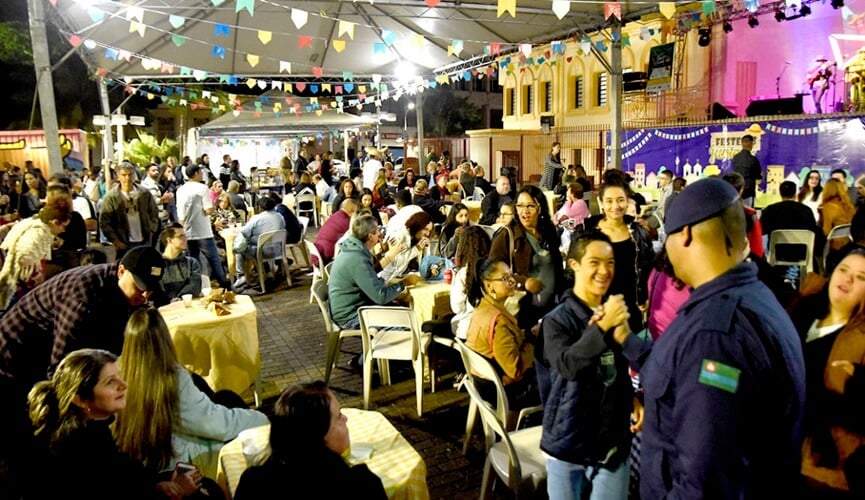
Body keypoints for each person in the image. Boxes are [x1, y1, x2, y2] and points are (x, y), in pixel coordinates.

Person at [612, 178, 806, 498]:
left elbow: (705, 483)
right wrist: (625, 337)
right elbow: (678, 375)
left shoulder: (715, 336)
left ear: (684, 235)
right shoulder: (750, 299)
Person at [536, 231, 640, 499]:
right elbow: (568, 365)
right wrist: (604, 327)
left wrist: (632, 400)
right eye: (594, 262)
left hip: (612, 443)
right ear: (574, 265)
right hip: (569, 442)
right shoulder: (557, 321)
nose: (604, 271)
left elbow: (616, 368)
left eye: (610, 263)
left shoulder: (613, 310)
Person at [28, 349, 203, 499]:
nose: (124, 385)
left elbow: (127, 478)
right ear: (80, 400)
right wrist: (178, 491)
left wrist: (160, 486)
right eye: (110, 382)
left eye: (119, 377)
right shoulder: (82, 449)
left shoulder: (92, 431)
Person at [114, 308, 268, 479]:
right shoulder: (171, 379)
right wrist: (262, 418)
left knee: (225, 397)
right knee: (247, 438)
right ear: (165, 339)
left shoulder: (117, 373)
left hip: (150, 460)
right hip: (180, 464)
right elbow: (215, 424)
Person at [788, 249, 865, 496]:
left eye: (861, 277)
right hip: (779, 452)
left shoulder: (860, 340)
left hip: (824, 470)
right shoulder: (801, 310)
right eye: (843, 270)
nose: (848, 279)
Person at [234, 381, 387, 499]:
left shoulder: (252, 483)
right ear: (319, 437)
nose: (346, 418)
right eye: (339, 417)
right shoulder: (362, 487)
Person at [575, 171, 653, 334]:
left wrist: (646, 296)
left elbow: (648, 267)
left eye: (620, 200)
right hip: (593, 309)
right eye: (609, 201)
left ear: (627, 201)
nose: (615, 206)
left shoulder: (638, 232)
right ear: (601, 202)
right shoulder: (585, 231)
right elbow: (572, 273)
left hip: (629, 308)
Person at [465, 258, 540, 413]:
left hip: (482, 383)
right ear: (489, 286)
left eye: (511, 275)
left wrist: (526, 334)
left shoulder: (482, 308)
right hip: (503, 391)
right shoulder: (499, 322)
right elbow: (515, 370)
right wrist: (532, 341)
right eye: (505, 278)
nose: (512, 281)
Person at [328, 214, 419, 329]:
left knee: (403, 310)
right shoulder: (357, 259)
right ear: (370, 237)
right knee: (408, 324)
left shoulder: (352, 249)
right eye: (377, 232)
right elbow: (380, 297)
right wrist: (403, 283)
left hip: (352, 307)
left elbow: (370, 274)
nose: (380, 235)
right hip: (351, 316)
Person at [0, 194, 72, 309]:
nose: (63, 230)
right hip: (19, 286)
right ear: (54, 222)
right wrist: (36, 280)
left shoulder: (33, 223)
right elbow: (25, 259)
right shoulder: (38, 233)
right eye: (63, 226)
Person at [177, 164, 232, 291]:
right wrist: (215, 204)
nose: (202, 174)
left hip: (188, 231)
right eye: (201, 172)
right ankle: (224, 285)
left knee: (194, 261)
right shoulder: (202, 188)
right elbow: (208, 210)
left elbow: (180, 214)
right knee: (214, 259)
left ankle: (198, 287)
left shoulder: (180, 190)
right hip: (203, 231)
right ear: (196, 173)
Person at [99, 162, 159, 258]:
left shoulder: (144, 193)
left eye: (130, 174)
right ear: (118, 176)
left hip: (144, 240)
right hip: (123, 242)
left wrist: (151, 229)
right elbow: (105, 221)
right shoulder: (112, 197)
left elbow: (154, 213)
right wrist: (115, 240)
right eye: (124, 175)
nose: (127, 178)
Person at [233, 196, 286, 290]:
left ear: (260, 207)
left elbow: (245, 233)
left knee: (239, 249)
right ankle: (268, 272)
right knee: (259, 244)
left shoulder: (256, 218)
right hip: (278, 250)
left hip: (261, 251)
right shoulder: (280, 216)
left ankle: (241, 275)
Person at [450, 226, 492, 340]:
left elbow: (457, 308)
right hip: (493, 326)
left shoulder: (464, 273)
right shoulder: (496, 268)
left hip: (469, 329)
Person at [378, 211, 433, 283]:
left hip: (395, 278)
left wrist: (426, 248)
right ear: (417, 226)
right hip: (381, 279)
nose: (427, 234)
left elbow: (425, 264)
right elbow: (396, 262)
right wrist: (416, 249)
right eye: (425, 229)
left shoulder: (417, 239)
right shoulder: (400, 235)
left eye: (429, 231)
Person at [158, 225, 202, 303]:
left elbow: (195, 285)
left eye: (185, 236)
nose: (185, 239)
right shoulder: (157, 265)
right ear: (169, 240)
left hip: (187, 303)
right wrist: (169, 300)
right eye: (181, 236)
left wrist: (179, 298)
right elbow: (157, 289)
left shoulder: (191, 262)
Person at [314, 198, 359, 264]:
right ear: (351, 210)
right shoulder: (347, 222)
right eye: (356, 211)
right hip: (327, 256)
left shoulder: (335, 215)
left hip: (317, 250)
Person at [820, 178, 856, 251]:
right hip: (849, 243)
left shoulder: (829, 206)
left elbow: (826, 231)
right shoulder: (850, 206)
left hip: (833, 246)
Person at [731, 134, 762, 207]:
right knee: (749, 213)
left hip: (738, 190)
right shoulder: (753, 159)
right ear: (751, 144)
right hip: (749, 191)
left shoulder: (735, 158)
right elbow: (758, 175)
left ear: (742, 144)